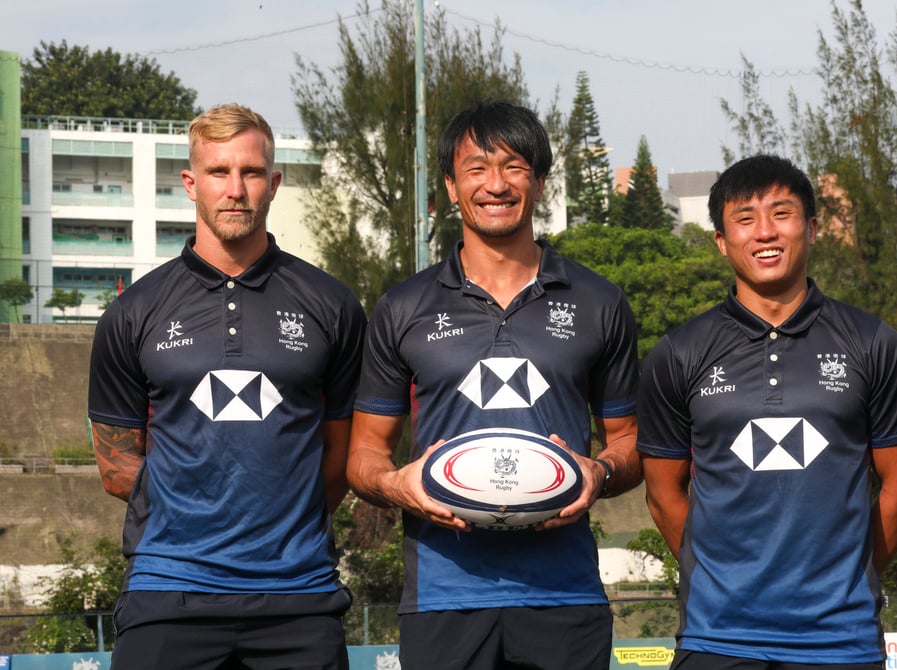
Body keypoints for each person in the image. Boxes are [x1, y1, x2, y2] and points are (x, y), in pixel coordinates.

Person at [346, 101, 642, 670]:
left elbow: (630, 443)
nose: (496, 185)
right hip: (442, 598)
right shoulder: (403, 307)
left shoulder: (600, 302)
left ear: (539, 183)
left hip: (565, 595)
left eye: (514, 167)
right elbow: (363, 455)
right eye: (476, 168)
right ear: (451, 187)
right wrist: (397, 483)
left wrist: (598, 473)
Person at [88, 103, 366, 670]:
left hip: (299, 594)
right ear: (191, 183)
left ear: (274, 184)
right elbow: (116, 467)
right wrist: (197, 517)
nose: (235, 190)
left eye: (251, 172)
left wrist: (281, 522)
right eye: (218, 172)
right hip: (167, 591)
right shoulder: (133, 312)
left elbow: (341, 456)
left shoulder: (332, 305)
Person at [637, 154, 897, 670]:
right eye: (745, 218)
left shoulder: (876, 345)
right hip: (716, 639)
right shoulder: (678, 354)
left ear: (812, 228)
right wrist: (724, 580)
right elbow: (663, 495)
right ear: (721, 241)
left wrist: (843, 581)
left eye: (781, 213)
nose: (765, 232)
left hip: (841, 642)